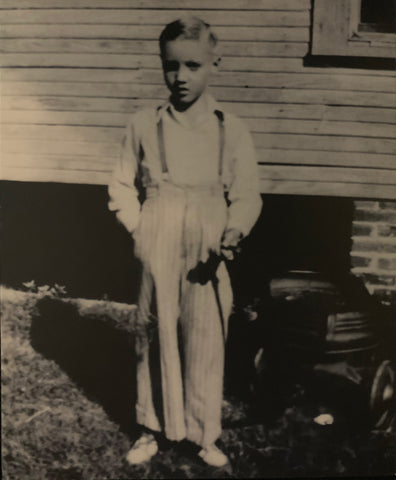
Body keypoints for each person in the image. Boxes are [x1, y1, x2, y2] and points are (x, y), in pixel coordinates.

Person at [108, 15, 262, 468]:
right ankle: (149, 428)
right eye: (171, 66)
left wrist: (235, 228)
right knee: (153, 332)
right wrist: (141, 230)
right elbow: (120, 185)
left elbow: (247, 194)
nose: (180, 77)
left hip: (209, 248)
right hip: (158, 238)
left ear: (215, 63)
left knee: (206, 337)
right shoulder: (143, 124)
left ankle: (203, 433)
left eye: (192, 66)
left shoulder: (229, 128)